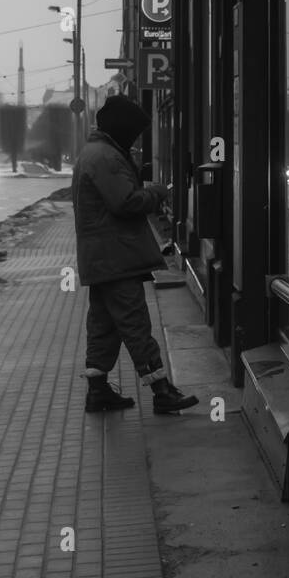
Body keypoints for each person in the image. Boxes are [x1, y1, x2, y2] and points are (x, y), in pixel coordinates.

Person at [72, 95, 198, 415]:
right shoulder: (106, 157)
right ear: (122, 128)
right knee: (134, 323)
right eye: (135, 131)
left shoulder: (97, 152)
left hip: (103, 258)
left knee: (104, 325)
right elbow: (126, 203)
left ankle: (98, 391)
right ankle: (161, 391)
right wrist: (156, 192)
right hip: (116, 257)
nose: (137, 138)